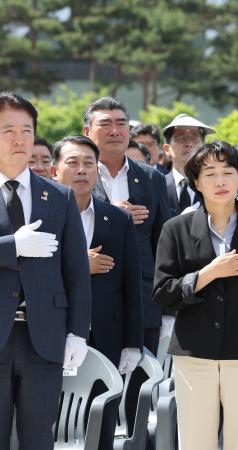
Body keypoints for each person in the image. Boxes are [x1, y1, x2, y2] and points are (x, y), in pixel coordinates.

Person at [153, 141, 238, 450]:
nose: (220, 181)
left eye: (228, 172)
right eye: (210, 174)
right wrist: (209, 273)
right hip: (194, 354)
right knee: (195, 442)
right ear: (196, 183)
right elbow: (163, 293)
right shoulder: (175, 229)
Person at [0, 92, 91, 449]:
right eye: (7, 129)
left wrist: (78, 333)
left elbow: (76, 273)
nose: (19, 138)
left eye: (26, 129)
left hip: (44, 338)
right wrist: (12, 247)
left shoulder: (59, 196)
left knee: (38, 439)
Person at [52, 135, 143, 450]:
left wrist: (132, 341)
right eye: (73, 163)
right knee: (52, 419)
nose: (82, 170)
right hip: (53, 332)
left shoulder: (117, 218)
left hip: (106, 333)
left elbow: (131, 283)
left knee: (101, 417)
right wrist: (79, 265)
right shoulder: (43, 215)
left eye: (89, 163)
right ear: (54, 170)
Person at [84, 96, 172, 353]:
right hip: (91, 300)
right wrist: (115, 214)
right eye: (105, 124)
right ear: (87, 131)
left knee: (139, 387)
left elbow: (163, 245)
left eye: (121, 123)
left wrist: (166, 308)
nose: (115, 131)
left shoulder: (150, 177)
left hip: (142, 301)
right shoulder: (76, 175)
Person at [163, 113, 215, 215]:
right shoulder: (157, 186)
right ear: (167, 149)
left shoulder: (214, 185)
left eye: (195, 139)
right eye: (182, 138)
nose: (189, 144)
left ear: (203, 147)